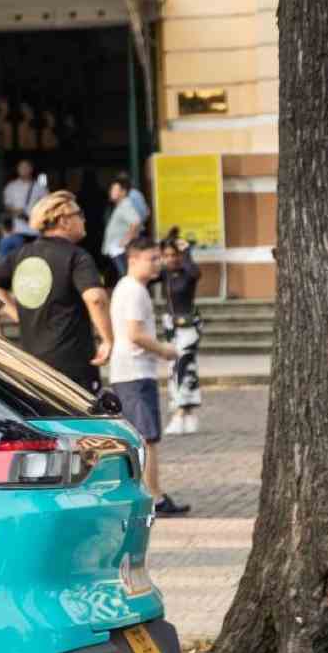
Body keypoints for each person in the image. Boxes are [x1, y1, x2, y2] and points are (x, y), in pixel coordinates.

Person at [0, 192, 113, 392]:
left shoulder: (21, 254)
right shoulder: (77, 256)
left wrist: (18, 314)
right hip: (73, 366)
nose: (83, 219)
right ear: (64, 221)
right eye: (79, 214)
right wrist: (108, 338)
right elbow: (95, 299)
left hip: (35, 365)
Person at [109, 238, 190, 516]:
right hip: (135, 371)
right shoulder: (134, 291)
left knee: (143, 437)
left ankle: (150, 494)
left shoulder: (129, 288)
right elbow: (135, 334)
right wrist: (164, 350)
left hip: (130, 370)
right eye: (151, 259)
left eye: (158, 258)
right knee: (147, 438)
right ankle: (153, 498)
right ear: (133, 260)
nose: (157, 263)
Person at [158, 233, 203, 434]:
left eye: (173, 255)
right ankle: (191, 413)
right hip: (170, 326)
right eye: (166, 255)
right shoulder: (164, 274)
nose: (170, 259)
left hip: (189, 325)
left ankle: (179, 414)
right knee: (182, 368)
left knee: (182, 366)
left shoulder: (188, 272)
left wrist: (186, 252)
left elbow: (195, 273)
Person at [103, 175, 147, 272]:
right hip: (116, 249)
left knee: (125, 275)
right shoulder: (120, 205)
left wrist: (126, 240)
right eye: (112, 189)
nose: (111, 192)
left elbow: (136, 222)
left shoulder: (125, 205)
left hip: (120, 250)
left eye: (115, 189)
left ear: (123, 192)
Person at [2, 159, 48, 238]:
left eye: (26, 167)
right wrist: (14, 210)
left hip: (36, 230)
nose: (23, 169)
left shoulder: (40, 188)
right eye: (21, 167)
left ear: (31, 169)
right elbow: (7, 205)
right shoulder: (11, 187)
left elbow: (47, 206)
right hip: (16, 230)